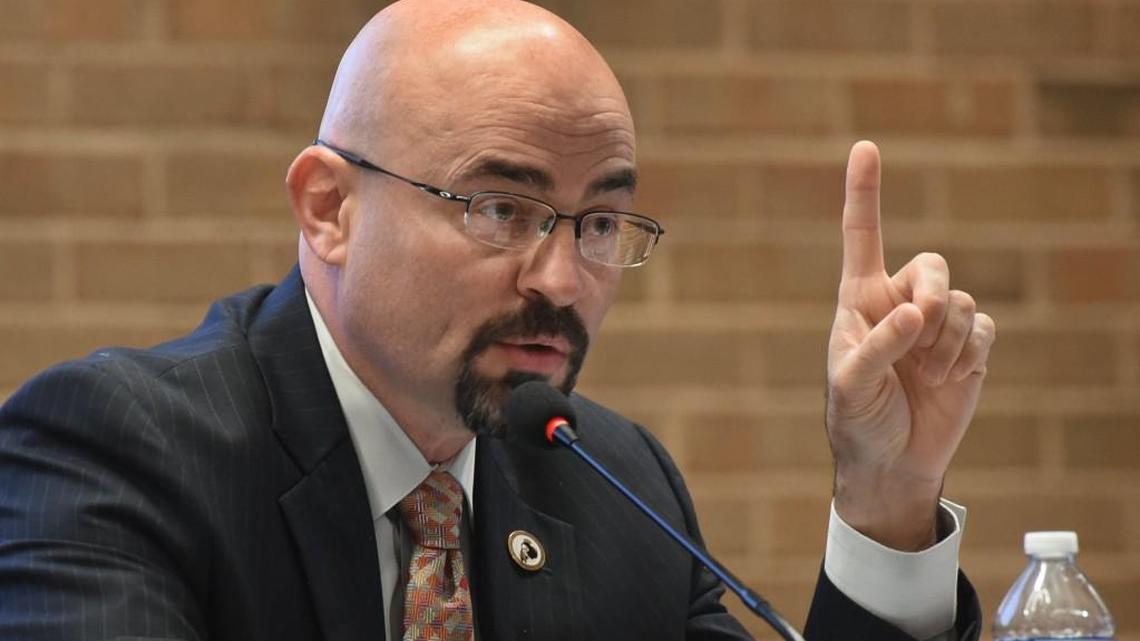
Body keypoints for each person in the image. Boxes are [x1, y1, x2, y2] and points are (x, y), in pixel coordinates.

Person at [0, 1, 995, 640]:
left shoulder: (615, 481)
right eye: (501, 209)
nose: (562, 277)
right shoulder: (116, 448)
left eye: (600, 221)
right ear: (328, 209)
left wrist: (885, 494)